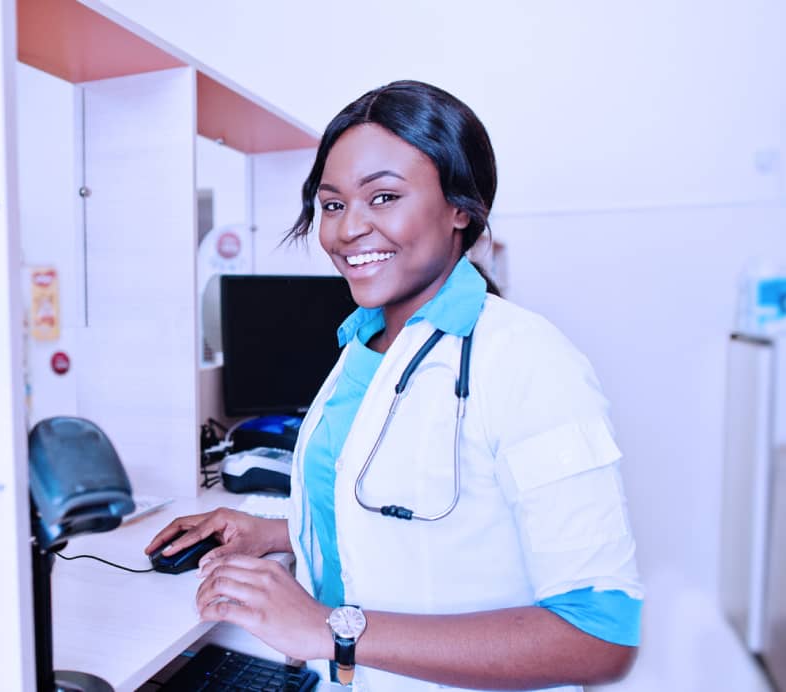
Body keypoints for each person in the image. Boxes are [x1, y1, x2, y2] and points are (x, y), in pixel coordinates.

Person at [146, 80, 642, 691]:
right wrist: (279, 533)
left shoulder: (528, 360)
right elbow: (409, 523)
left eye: (383, 197)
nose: (349, 228)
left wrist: (328, 627)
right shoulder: (366, 346)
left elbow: (599, 635)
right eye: (331, 205)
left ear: (462, 209)